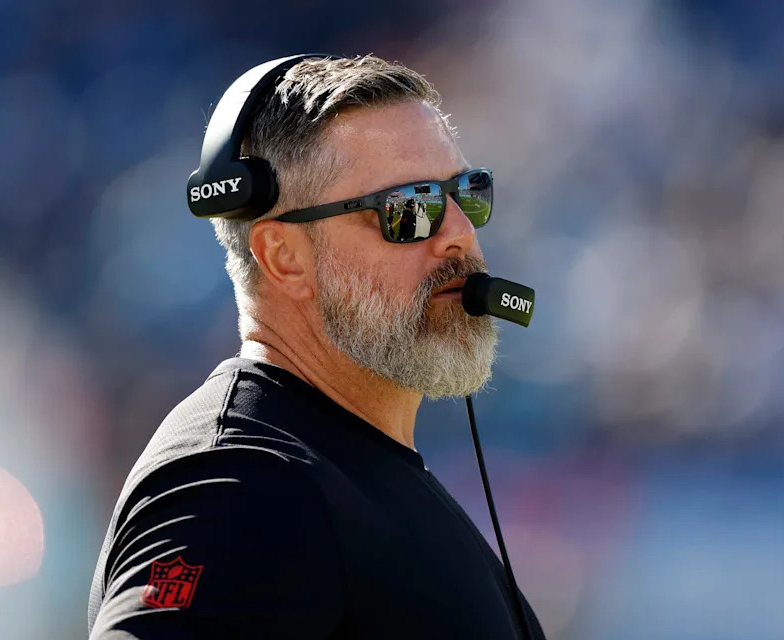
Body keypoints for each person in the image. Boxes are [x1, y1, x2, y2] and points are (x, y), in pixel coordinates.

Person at [87, 54, 546, 639]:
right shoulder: (240, 482)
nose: (460, 235)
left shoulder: (339, 472)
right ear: (284, 257)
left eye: (467, 194)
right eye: (410, 208)